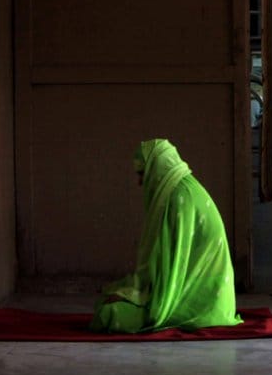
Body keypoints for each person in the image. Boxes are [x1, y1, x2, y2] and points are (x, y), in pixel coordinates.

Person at [89, 138, 243, 333]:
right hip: (208, 299)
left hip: (197, 302)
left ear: (156, 169)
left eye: (142, 174)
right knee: (108, 301)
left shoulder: (180, 198)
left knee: (108, 314)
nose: (139, 182)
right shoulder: (180, 190)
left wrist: (133, 295)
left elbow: (171, 270)